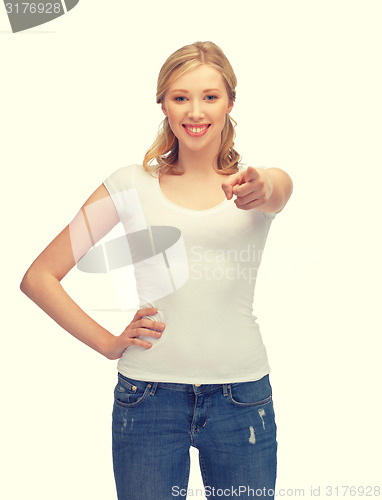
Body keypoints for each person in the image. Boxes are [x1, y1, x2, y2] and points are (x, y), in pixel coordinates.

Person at [20, 41, 293, 500]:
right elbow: (39, 277)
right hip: (147, 398)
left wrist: (264, 182)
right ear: (163, 103)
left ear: (230, 102)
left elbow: (280, 189)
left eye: (210, 96)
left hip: (242, 398)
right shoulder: (130, 183)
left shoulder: (254, 184)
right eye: (180, 96)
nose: (195, 110)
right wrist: (108, 344)